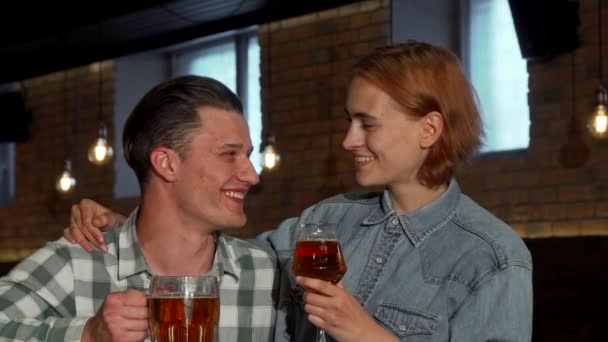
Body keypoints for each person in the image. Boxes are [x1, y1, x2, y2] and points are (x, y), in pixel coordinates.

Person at [64, 41, 533, 342]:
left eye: (366, 124)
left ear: (429, 129)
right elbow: (219, 261)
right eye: (349, 121)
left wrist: (366, 334)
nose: (349, 140)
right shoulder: (321, 222)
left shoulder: (492, 258)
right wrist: (130, 225)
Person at [0, 76, 278, 342]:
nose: (252, 176)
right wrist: (87, 335)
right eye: (229, 154)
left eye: (248, 156)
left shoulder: (267, 273)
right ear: (167, 164)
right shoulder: (76, 263)